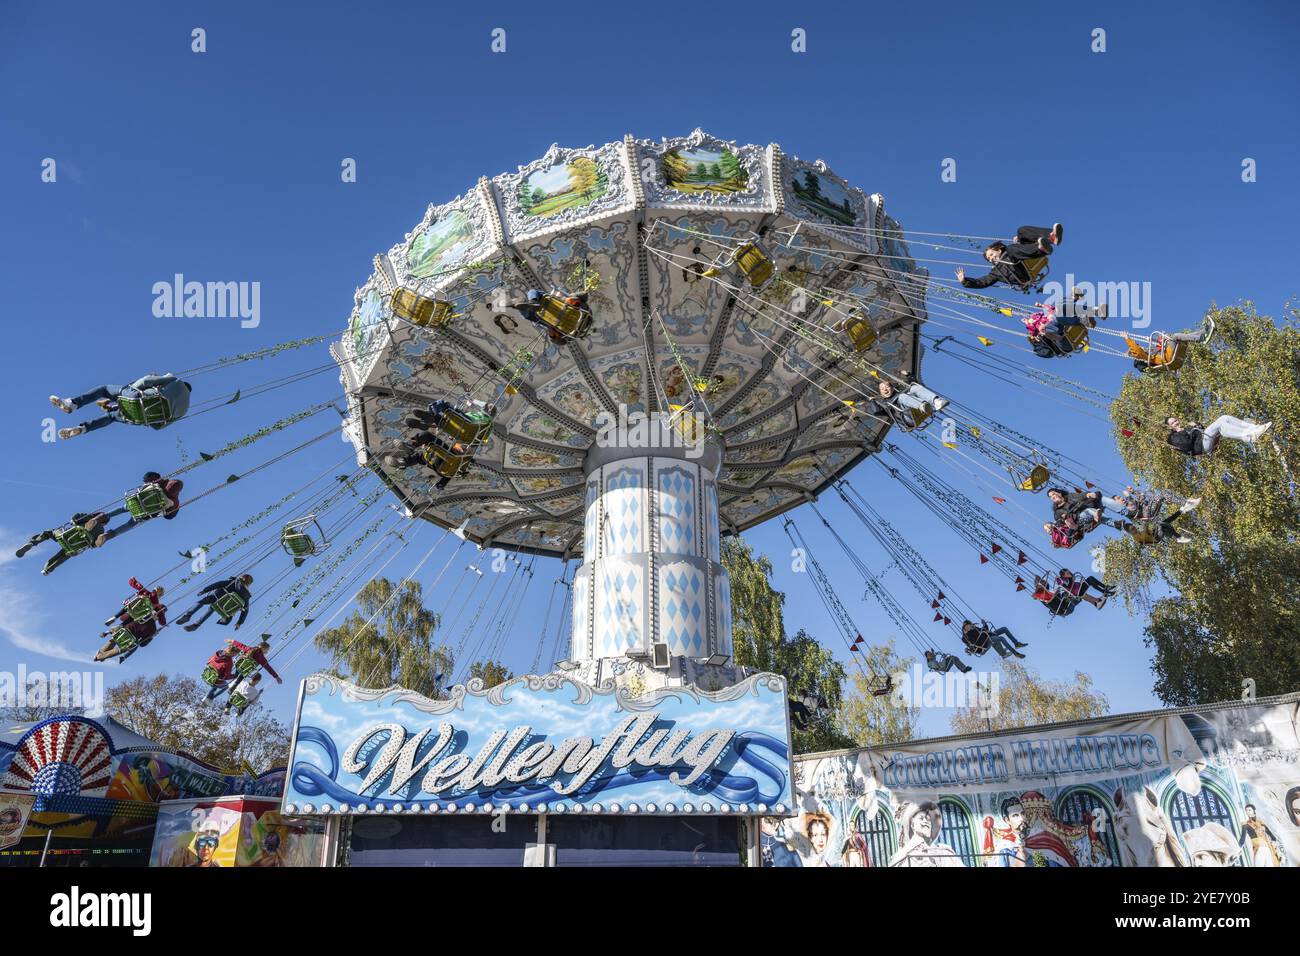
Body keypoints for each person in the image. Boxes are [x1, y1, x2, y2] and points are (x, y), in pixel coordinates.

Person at [50, 373, 193, 439]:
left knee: (104, 389)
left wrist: (129, 391)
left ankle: (73, 404)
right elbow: (158, 427)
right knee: (111, 417)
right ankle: (83, 429)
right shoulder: (184, 411)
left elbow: (146, 381)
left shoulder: (176, 381)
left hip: (138, 398)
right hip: (141, 417)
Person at [956, 224, 1063, 291]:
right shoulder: (996, 272)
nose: (991, 258)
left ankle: (1051, 237)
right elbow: (982, 282)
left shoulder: (1010, 250)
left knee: (1022, 230)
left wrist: (1021, 240)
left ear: (998, 250)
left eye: (992, 255)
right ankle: (1040, 249)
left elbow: (1013, 250)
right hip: (1022, 275)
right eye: (989, 259)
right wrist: (965, 281)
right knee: (1012, 250)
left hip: (1025, 257)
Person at [97, 471, 184, 546]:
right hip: (145, 513)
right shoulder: (175, 501)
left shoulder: (161, 482)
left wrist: (153, 477)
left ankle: (102, 517)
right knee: (130, 524)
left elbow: (147, 476)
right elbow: (169, 516)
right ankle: (108, 536)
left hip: (137, 501)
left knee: (123, 508)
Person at [15, 511, 110, 575]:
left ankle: (32, 543)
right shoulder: (101, 532)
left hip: (65, 536)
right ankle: (48, 569)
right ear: (104, 524)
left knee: (48, 533)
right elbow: (93, 545)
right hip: (75, 547)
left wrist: (82, 518)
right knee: (66, 554)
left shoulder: (88, 518)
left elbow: (73, 520)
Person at [1123, 317, 1212, 372]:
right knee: (1176, 336)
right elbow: (1137, 351)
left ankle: (1205, 331)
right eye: (1139, 346)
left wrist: (1160, 338)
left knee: (1183, 337)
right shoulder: (1146, 357)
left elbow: (1160, 346)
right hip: (1168, 357)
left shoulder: (1153, 353)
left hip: (1171, 356)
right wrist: (1127, 338)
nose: (1141, 346)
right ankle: (1201, 338)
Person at [207, 638, 282, 700]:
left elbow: (240, 645)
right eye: (267, 650)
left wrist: (231, 641)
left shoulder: (250, 649)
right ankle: (232, 687)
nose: (267, 651)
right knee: (239, 677)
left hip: (238, 666)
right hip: (245, 670)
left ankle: (211, 695)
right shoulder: (262, 658)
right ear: (263, 648)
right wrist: (276, 677)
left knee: (223, 678)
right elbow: (268, 667)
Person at [174, 574, 253, 632]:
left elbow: (218, 584)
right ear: (248, 584)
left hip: (215, 597)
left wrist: (205, 590)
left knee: (201, 602)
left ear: (241, 578)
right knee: (212, 609)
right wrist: (239, 623)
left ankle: (188, 615)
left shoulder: (233, 582)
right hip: (223, 607)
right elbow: (245, 610)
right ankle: (196, 625)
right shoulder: (247, 595)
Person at [1165, 415, 1272, 457]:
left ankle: (1253, 429)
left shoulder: (1186, 428)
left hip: (1204, 439)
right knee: (1221, 426)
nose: (1176, 423)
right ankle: (1248, 437)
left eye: (1175, 420)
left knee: (1224, 418)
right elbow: (1187, 445)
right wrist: (1182, 431)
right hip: (1201, 447)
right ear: (1170, 427)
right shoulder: (1173, 437)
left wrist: (1197, 426)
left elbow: (1200, 432)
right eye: (1173, 423)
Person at [509, 289, 592, 342]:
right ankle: (531, 302)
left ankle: (526, 303)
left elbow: (584, 295)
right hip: (566, 314)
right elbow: (583, 296)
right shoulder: (569, 334)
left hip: (558, 316)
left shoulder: (531, 317)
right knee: (532, 292)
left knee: (536, 314)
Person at [867, 376, 948, 428]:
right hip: (907, 418)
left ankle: (936, 401)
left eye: (887, 387)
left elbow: (918, 387)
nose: (885, 389)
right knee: (902, 397)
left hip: (915, 409)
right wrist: (872, 401)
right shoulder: (884, 403)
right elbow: (876, 412)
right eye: (882, 389)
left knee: (913, 388)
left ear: (892, 388)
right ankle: (922, 406)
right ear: (881, 393)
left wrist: (909, 376)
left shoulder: (900, 393)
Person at [961, 619, 1026, 659]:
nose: (969, 626)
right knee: (1001, 638)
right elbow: (972, 642)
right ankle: (1015, 653)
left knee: (1004, 629)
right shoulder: (967, 635)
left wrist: (984, 623)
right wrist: (966, 634)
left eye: (969, 625)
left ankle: (1016, 643)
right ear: (965, 628)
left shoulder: (975, 628)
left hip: (988, 635)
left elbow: (985, 629)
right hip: (984, 642)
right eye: (967, 626)